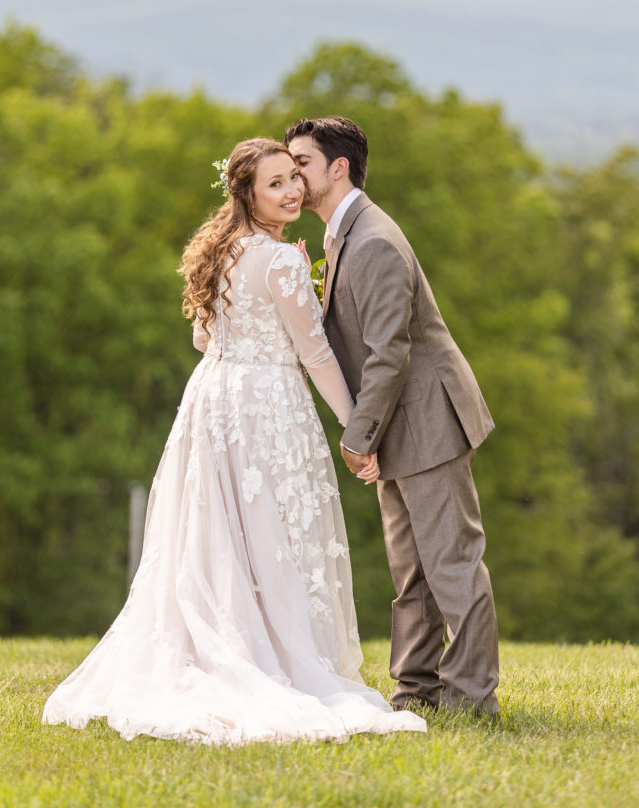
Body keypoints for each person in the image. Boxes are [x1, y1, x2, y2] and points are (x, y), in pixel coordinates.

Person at [42, 138, 426, 743]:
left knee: (223, 532)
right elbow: (316, 353)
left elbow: (203, 340)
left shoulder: (218, 252)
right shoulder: (280, 261)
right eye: (276, 183)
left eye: (294, 178)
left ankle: (228, 642)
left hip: (213, 399)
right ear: (247, 192)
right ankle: (272, 655)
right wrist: (359, 429)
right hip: (267, 405)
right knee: (269, 531)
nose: (293, 190)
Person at [285, 117, 500, 715]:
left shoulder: (373, 240)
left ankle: (473, 698)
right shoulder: (340, 235)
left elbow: (390, 352)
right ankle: (416, 688)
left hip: (428, 420)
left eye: (301, 162)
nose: (293, 175)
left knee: (453, 565)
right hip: (399, 423)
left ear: (338, 168)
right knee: (411, 573)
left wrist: (358, 439)